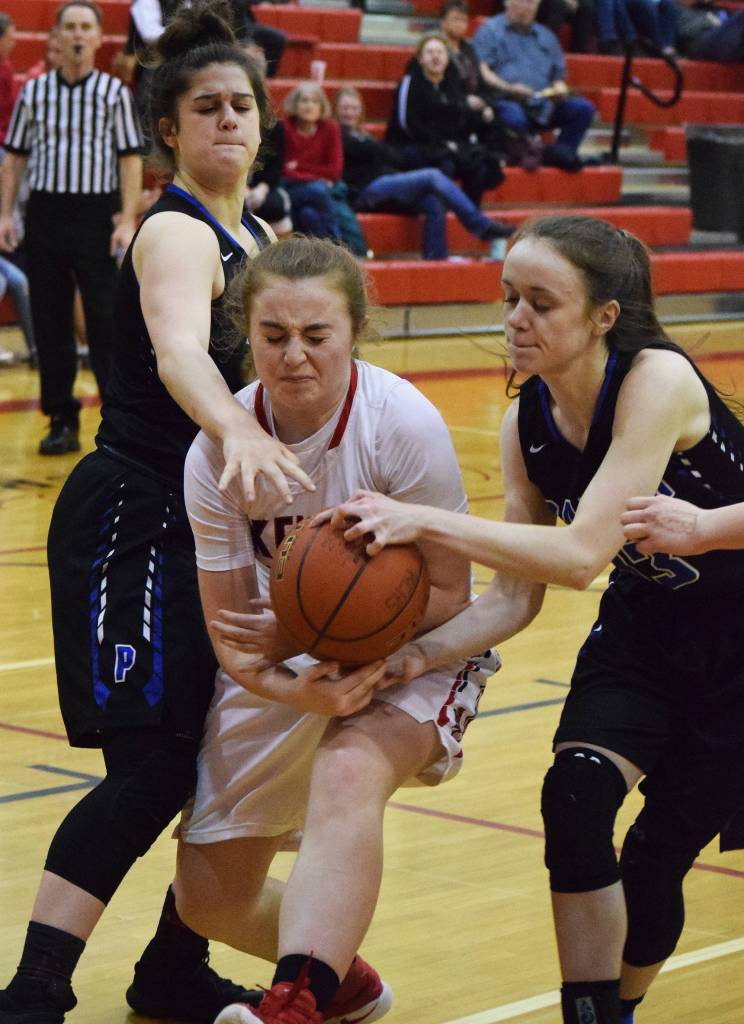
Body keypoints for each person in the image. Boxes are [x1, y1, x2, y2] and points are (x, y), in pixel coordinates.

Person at [318, 215, 744, 1024]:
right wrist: (410, 659)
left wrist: (425, 520)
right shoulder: (528, 424)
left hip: (739, 650)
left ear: (603, 316)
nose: (514, 319)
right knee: (574, 799)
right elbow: (518, 594)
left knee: (655, 865)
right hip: (646, 631)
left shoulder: (657, 379)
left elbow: (583, 553)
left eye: (540, 303)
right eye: (509, 297)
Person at [0, 4, 318, 1023]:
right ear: (169, 131)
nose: (229, 120)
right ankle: (35, 988)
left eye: (243, 106)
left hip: (218, 532)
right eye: (207, 107)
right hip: (134, 515)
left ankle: (170, 971)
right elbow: (183, 350)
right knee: (150, 768)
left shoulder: (264, 237)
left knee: (224, 771)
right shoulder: (175, 231)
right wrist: (240, 433)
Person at [159, 235, 499, 1024]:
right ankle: (348, 988)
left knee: (349, 769)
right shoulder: (215, 451)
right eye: (275, 336)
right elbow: (234, 635)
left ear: (356, 331)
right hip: (296, 647)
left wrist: (343, 651)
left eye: (318, 336)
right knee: (209, 900)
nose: (295, 355)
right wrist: (295, 688)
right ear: (246, 332)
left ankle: (293, 1005)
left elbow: (452, 592)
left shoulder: (401, 422)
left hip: (422, 646)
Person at [0, 0, 144, 455]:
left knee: (104, 318)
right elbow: (16, 156)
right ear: (58, 37)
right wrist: (6, 214)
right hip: (44, 212)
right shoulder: (34, 91)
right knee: (49, 318)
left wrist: (127, 217)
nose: (78, 35)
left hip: (95, 215)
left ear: (100, 38)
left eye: (86, 27)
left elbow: (129, 158)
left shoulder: (114, 93)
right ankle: (61, 416)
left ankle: (117, 417)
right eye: (71, 27)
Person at [334, 86, 513, 261]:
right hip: (363, 190)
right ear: (335, 110)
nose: (350, 113)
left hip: (387, 185)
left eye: (354, 108)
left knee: (433, 202)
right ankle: (481, 225)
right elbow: (376, 153)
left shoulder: (366, 137)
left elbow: (395, 157)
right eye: (345, 108)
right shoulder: (336, 134)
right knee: (432, 176)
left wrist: (377, 150)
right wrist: (378, 150)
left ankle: (436, 260)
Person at [473, 0, 597, 172]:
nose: (529, 7)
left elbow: (558, 77)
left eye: (533, 3)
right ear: (508, 3)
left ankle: (558, 155)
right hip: (505, 99)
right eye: (525, 2)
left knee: (583, 109)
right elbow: (482, 71)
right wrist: (508, 88)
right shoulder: (490, 30)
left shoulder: (547, 36)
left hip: (543, 102)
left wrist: (559, 89)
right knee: (513, 116)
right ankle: (527, 152)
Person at [385, 33, 505, 207]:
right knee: (444, 164)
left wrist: (482, 115)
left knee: (478, 165)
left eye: (440, 52)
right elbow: (407, 123)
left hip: (446, 146)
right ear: (420, 59)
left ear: (448, 58)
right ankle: (441, 208)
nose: (436, 56)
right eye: (430, 52)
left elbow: (460, 119)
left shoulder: (454, 83)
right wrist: (442, 144)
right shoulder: (410, 82)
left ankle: (469, 215)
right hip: (410, 144)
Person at [280, 81, 343, 242]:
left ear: (321, 106)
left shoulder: (330, 128)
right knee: (319, 190)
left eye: (315, 101)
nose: (309, 106)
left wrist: (299, 166)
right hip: (289, 189)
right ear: (295, 103)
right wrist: (319, 178)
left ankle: (326, 252)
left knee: (309, 214)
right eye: (304, 100)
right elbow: (283, 171)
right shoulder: (284, 127)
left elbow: (334, 172)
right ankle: (338, 244)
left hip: (312, 193)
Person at [672, 0, 744, 61]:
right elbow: (686, 32)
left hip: (724, 38)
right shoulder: (672, 8)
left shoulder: (713, 8)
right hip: (701, 43)